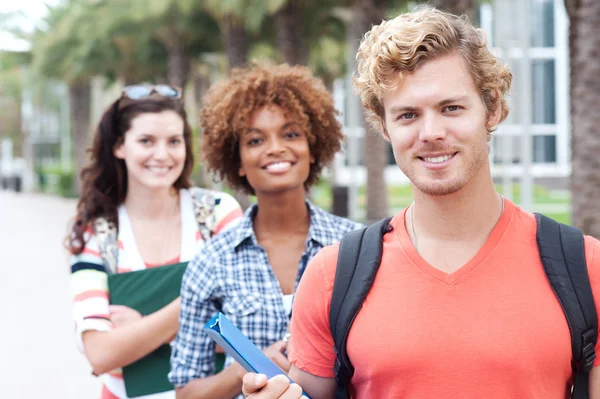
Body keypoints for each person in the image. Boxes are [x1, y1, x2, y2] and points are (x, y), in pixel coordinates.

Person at [240, 6, 600, 399]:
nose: (431, 133)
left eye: (451, 108)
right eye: (408, 114)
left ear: (492, 107)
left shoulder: (585, 267)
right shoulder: (332, 277)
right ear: (385, 125)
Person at [168, 63, 362, 399]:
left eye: (290, 134)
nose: (275, 148)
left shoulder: (359, 248)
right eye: (256, 140)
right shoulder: (212, 263)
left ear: (312, 147)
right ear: (238, 160)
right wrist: (250, 367)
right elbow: (186, 392)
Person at [68, 85, 243, 399]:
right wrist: (204, 311)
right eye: (146, 141)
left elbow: (249, 329)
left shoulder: (217, 214)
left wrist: (143, 326)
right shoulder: (97, 232)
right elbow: (101, 353)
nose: (162, 155)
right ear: (119, 146)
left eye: (174, 141)